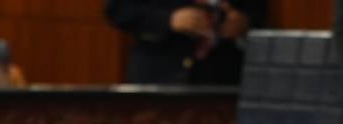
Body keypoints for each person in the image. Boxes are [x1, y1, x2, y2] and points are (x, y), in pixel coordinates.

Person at [105, 0, 264, 85]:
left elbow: (258, 14)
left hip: (225, 77)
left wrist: (244, 24)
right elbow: (118, 9)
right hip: (161, 73)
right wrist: (167, 20)